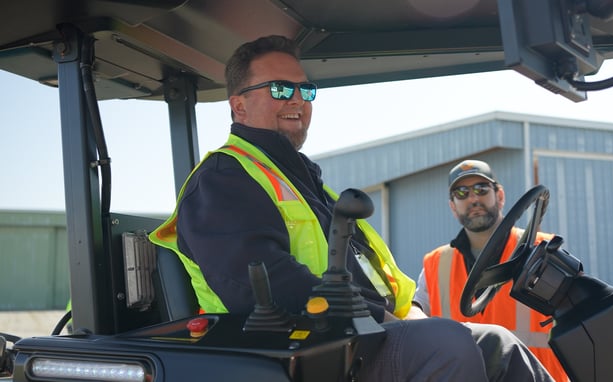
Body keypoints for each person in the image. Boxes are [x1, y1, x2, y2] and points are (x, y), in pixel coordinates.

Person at [150, 35, 554, 381]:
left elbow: (378, 277)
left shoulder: (307, 184)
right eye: (279, 89)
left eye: (304, 91)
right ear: (238, 106)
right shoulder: (224, 178)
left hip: (361, 337)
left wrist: (410, 315)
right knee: (448, 345)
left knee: (499, 344)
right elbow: (261, 284)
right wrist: (382, 321)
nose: (296, 99)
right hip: (303, 350)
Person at [412, 159, 568, 382]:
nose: (473, 198)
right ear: (453, 207)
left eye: (481, 189)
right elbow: (415, 317)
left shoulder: (542, 250)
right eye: (462, 192)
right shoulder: (435, 264)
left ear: (500, 195)